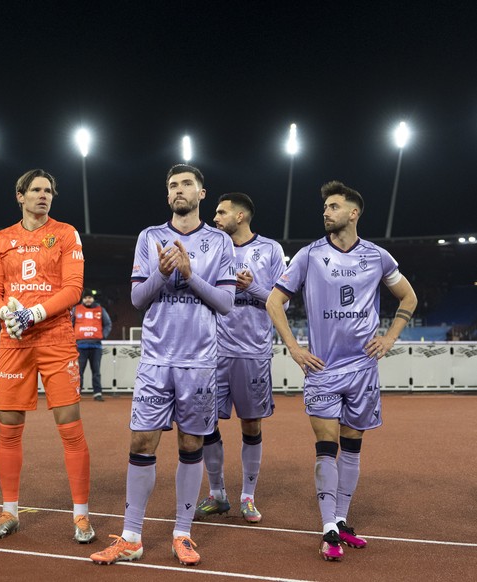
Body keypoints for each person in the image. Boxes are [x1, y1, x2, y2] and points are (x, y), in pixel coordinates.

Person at [90, 164, 235, 567]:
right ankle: (132, 536)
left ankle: (182, 534)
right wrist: (162, 271)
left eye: (187, 184)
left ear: (202, 193)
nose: (179, 190)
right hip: (156, 360)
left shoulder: (219, 241)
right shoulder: (150, 237)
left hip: (199, 362)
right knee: (140, 442)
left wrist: (188, 275)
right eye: (172, 185)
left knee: (191, 445)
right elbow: (138, 299)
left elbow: (225, 303)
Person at [266, 180, 417, 561]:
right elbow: (274, 301)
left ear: (353, 213)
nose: (326, 212)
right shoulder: (309, 255)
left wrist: (389, 338)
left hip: (363, 368)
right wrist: (295, 348)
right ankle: (328, 529)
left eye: (333, 206)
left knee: (352, 447)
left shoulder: (378, 257)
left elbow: (408, 297)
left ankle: (341, 521)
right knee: (326, 446)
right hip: (324, 369)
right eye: (325, 207)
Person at [0, 169, 94, 543]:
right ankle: (8, 511)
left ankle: (81, 517)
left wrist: (35, 314)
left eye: (48, 191)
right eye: (35, 190)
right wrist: (7, 314)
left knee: (70, 427)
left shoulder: (65, 233)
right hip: (13, 341)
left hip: (55, 339)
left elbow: (74, 289)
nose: (43, 196)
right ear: (20, 195)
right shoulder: (2, 239)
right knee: (9, 429)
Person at [193, 192, 285, 524]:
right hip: (212, 352)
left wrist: (253, 288)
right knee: (205, 424)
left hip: (252, 352)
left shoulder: (271, 250)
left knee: (251, 423)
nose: (215, 218)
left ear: (240, 216)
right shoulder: (212, 247)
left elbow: (281, 302)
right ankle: (217, 494)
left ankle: (248, 496)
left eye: (221, 212)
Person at [72, 290, 112, 401]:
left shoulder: (100, 310)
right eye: (85, 298)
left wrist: (103, 335)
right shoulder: (76, 309)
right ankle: (77, 393)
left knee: (96, 371)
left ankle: (97, 393)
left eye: (89, 297)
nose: (88, 299)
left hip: (96, 346)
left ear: (93, 299)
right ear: (82, 299)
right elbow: (70, 324)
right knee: (79, 371)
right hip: (80, 346)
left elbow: (108, 324)